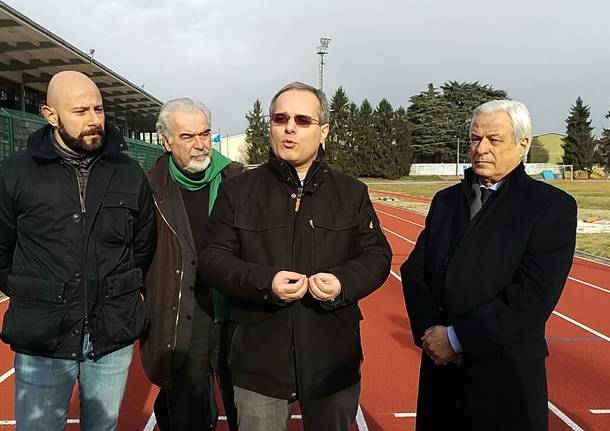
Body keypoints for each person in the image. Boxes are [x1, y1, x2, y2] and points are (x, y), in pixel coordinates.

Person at [200, 81, 392, 431]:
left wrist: (343, 282)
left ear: (324, 131)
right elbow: (213, 258)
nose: (289, 128)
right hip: (260, 357)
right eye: (280, 118)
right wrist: (265, 282)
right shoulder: (237, 190)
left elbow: (376, 255)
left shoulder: (352, 193)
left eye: (303, 120)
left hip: (331, 357)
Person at [401, 100, 577, 431]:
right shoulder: (445, 202)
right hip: (443, 375)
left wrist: (457, 338)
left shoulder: (551, 207)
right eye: (474, 138)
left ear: (522, 144)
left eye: (493, 140)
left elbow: (532, 297)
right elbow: (415, 272)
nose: (480, 148)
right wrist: (431, 333)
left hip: (505, 377)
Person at [0, 70, 156, 430]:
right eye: (80, 111)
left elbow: (143, 244)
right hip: (44, 337)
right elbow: (2, 250)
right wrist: (38, 294)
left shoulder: (128, 172)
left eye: (98, 109)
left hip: (110, 335)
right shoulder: (15, 174)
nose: (93, 120)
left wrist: (115, 291)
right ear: (50, 115)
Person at [140, 98, 241, 431]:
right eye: (187, 137)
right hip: (180, 313)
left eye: (205, 133)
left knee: (243, 406)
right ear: (167, 142)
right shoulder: (149, 189)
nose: (200, 145)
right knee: (188, 412)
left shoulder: (237, 180)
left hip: (235, 313)